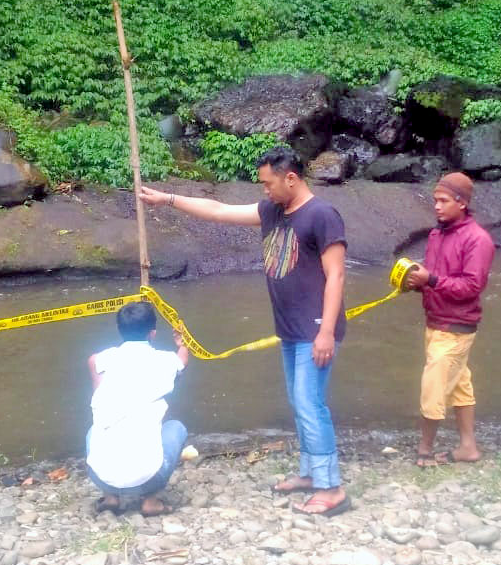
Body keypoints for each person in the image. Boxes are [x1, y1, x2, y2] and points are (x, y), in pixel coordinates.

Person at [138, 147, 351, 517]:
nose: (264, 191)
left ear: (290, 178)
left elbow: (337, 275)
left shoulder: (322, 215)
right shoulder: (272, 211)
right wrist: (167, 200)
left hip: (315, 329)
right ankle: (309, 473)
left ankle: (331, 488)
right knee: (299, 402)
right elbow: (220, 211)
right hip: (290, 328)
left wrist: (327, 332)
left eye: (268, 183)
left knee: (309, 403)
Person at [405, 172, 495, 467]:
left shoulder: (478, 240)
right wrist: (417, 282)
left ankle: (424, 451)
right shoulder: (436, 234)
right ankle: (468, 447)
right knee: (460, 384)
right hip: (436, 321)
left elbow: (471, 287)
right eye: (435, 201)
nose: (437, 207)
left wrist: (430, 279)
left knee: (433, 387)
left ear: (462, 203)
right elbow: (436, 276)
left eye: (444, 201)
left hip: (456, 327)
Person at [85, 301, 190, 516]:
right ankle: (150, 501)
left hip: (99, 474)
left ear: (118, 329)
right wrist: (182, 343)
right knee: (176, 428)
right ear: (152, 333)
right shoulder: (166, 361)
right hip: (148, 478)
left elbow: (99, 393)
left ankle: (110, 498)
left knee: (95, 428)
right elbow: (182, 362)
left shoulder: (97, 361)